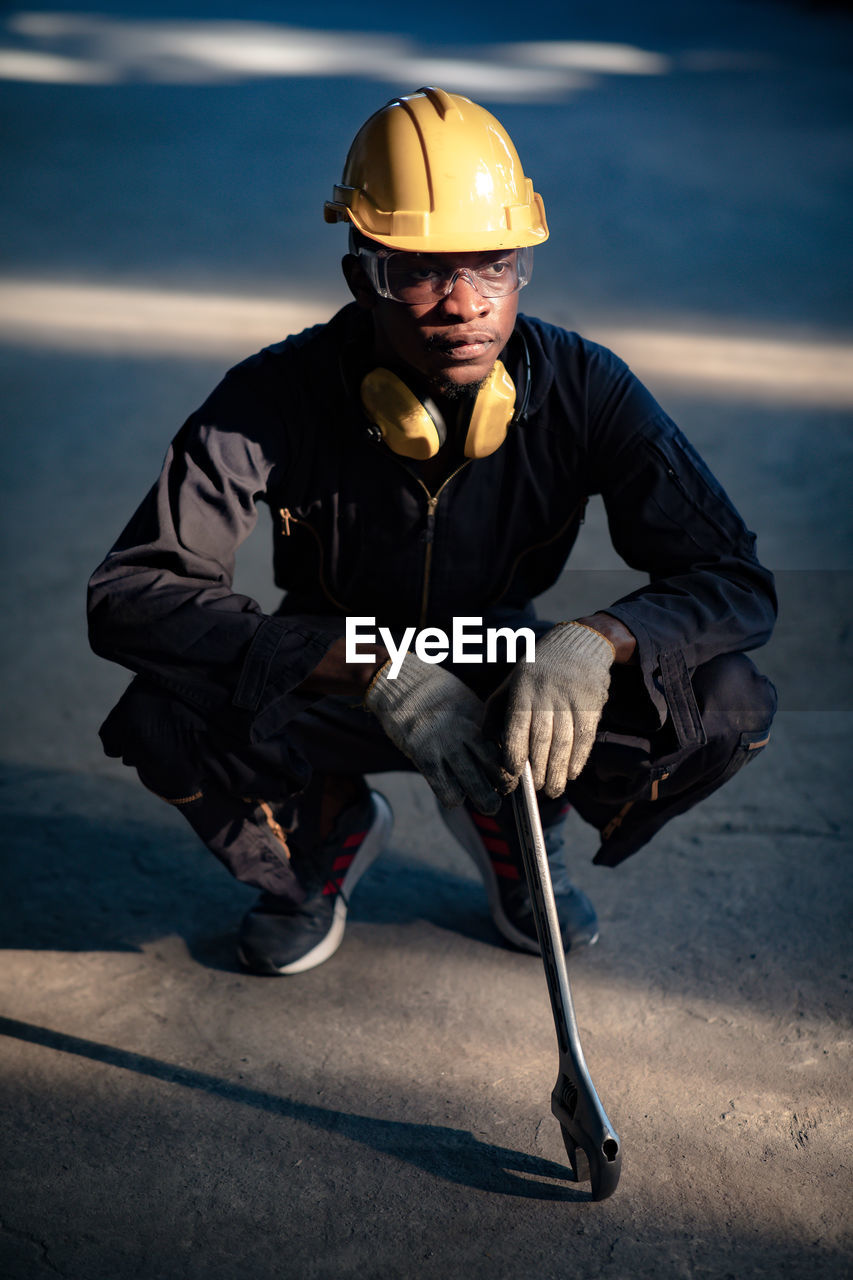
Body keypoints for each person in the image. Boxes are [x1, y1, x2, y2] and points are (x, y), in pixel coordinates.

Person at [87, 87, 777, 976]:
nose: (464, 304)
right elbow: (131, 595)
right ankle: (315, 832)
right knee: (162, 710)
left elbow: (732, 577)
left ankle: (521, 805)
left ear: (522, 263)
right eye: (420, 271)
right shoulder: (274, 396)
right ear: (360, 276)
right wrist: (365, 664)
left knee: (722, 695)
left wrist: (595, 642)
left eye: (492, 265)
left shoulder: (585, 388)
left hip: (504, 662)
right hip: (333, 668)